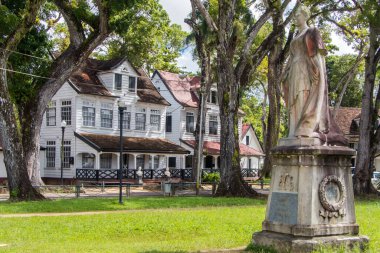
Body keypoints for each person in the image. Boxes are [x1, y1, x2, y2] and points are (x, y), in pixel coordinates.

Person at [282, 5, 347, 146]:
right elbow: (291, 57)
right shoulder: (296, 36)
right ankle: (293, 132)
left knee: (302, 98)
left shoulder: (311, 31)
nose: (295, 17)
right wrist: (285, 73)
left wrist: (319, 73)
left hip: (305, 70)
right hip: (294, 71)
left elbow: (317, 55)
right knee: (293, 102)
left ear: (305, 16)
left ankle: (304, 129)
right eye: (294, 14)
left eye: (298, 14)